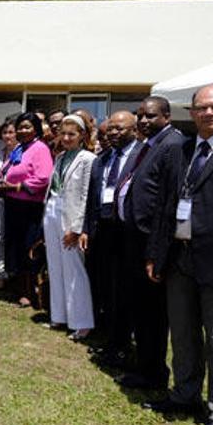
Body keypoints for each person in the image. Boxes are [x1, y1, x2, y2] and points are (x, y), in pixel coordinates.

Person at [144, 84, 213, 425]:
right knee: (182, 334)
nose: (208, 113)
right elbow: (166, 206)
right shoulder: (181, 150)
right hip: (179, 258)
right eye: (201, 108)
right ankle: (185, 395)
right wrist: (155, 253)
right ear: (191, 111)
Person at [116, 96, 187, 390]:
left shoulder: (172, 145)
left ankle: (153, 372)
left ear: (167, 116)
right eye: (141, 115)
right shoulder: (150, 144)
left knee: (152, 313)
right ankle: (144, 364)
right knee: (140, 308)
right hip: (133, 237)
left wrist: (155, 253)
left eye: (151, 116)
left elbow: (167, 203)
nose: (144, 121)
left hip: (150, 243)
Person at [81, 110, 141, 367]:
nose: (113, 134)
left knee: (124, 291)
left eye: (119, 129)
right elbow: (91, 199)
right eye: (109, 131)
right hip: (102, 231)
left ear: (134, 130)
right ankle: (110, 336)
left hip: (127, 233)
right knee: (105, 285)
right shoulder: (101, 160)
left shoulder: (142, 156)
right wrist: (86, 228)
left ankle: (122, 343)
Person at [43, 115, 95, 340]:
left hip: (71, 217)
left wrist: (76, 227)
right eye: (63, 133)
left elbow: (85, 194)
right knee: (55, 266)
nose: (66, 138)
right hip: (53, 211)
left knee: (74, 269)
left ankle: (81, 321)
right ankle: (59, 316)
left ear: (82, 136)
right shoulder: (60, 157)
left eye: (71, 134)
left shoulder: (88, 159)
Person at [0, 112, 52, 308]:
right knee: (16, 247)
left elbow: (43, 178)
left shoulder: (40, 148)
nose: (23, 130)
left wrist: (15, 187)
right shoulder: (20, 148)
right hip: (13, 204)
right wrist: (5, 184)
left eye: (27, 127)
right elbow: (9, 169)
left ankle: (32, 293)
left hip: (29, 207)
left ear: (36, 128)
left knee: (29, 248)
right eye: (20, 127)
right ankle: (20, 288)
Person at [0, 119, 17, 289]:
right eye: (5, 132)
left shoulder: (22, 152)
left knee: (14, 237)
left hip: (17, 201)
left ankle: (15, 273)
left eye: (11, 132)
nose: (8, 136)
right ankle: (1, 273)